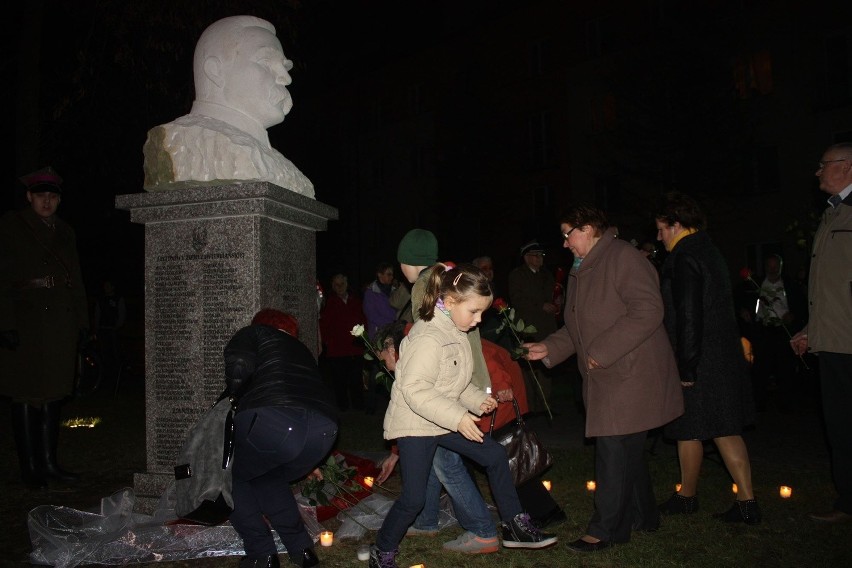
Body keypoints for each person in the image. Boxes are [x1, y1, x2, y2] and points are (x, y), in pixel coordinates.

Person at [368, 264, 557, 568]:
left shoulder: (457, 331)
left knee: (495, 455)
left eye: (482, 312)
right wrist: (458, 416)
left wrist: (476, 400)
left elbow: (456, 381)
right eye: (474, 311)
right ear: (451, 302)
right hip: (416, 424)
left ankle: (515, 526)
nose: (479, 319)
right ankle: (383, 551)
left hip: (441, 418)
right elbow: (415, 390)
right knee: (414, 499)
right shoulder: (427, 337)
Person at [523, 203, 683, 552]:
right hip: (609, 373)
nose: (565, 244)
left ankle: (607, 529)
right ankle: (646, 516)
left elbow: (649, 309)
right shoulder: (585, 267)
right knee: (628, 449)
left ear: (589, 228)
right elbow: (577, 326)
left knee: (613, 447)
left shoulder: (623, 258)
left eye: (568, 235)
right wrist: (548, 348)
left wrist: (602, 351)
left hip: (630, 372)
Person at [389, 229, 502, 554]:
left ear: (407, 262)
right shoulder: (446, 276)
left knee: (447, 464)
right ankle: (426, 519)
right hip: (450, 386)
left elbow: (434, 341)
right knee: (433, 457)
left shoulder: (431, 284)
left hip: (447, 389)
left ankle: (482, 530)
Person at [653, 191, 761, 525]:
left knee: (704, 426)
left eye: (660, 229)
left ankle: (720, 499)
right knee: (707, 426)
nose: (658, 236)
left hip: (701, 358)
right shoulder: (707, 249)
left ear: (676, 224)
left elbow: (689, 315)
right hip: (719, 354)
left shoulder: (685, 256)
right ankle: (716, 498)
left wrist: (686, 366)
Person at [142, 15, 314, 196]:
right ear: (215, 71)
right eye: (265, 63)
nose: (286, 79)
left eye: (284, 67)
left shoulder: (278, 162)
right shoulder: (186, 142)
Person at [224, 308, 339, 568]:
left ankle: (261, 553)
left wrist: (234, 395)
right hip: (324, 430)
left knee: (228, 477)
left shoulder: (254, 333)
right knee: (267, 478)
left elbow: (240, 361)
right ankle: (302, 550)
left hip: (275, 419)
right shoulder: (301, 350)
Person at [0, 166, 90, 488]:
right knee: (25, 396)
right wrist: (6, 322)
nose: (47, 202)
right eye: (41, 196)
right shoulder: (12, 226)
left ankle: (50, 464)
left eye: (52, 197)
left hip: (59, 324)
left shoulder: (65, 231)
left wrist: (82, 322)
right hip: (26, 321)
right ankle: (30, 468)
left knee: (54, 395)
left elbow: (75, 279)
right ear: (29, 197)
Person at [790, 142, 852, 524]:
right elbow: (832, 286)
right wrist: (811, 329)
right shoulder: (832, 214)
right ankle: (847, 502)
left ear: (846, 167)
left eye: (823, 165)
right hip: (833, 341)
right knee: (840, 427)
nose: (817, 172)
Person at [741, 254, 807, 411]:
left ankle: (787, 403)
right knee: (761, 369)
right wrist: (743, 311)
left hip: (783, 332)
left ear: (781, 266)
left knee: (785, 368)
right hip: (763, 331)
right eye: (770, 266)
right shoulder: (755, 284)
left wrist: (793, 316)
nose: (773, 269)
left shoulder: (789, 285)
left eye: (776, 266)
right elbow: (741, 299)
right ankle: (759, 404)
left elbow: (801, 306)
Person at [508, 241, 560, 414]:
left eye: (541, 255)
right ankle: (529, 406)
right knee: (528, 368)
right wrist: (540, 305)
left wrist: (558, 301)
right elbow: (517, 299)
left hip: (546, 327)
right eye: (536, 255)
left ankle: (545, 404)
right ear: (526, 257)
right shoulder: (518, 275)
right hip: (528, 328)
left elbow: (554, 294)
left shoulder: (547, 275)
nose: (540, 259)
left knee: (546, 365)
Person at [319, 273, 366, 411]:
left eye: (342, 284)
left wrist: (363, 339)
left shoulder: (355, 300)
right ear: (332, 286)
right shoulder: (328, 303)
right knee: (339, 381)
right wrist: (327, 342)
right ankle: (343, 407)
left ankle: (358, 407)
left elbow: (362, 320)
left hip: (355, 348)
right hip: (337, 349)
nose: (339, 287)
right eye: (336, 284)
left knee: (356, 380)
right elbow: (324, 325)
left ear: (347, 284)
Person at [93, 277, 127, 385]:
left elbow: (122, 314)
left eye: (108, 286)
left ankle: (118, 378)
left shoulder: (118, 298)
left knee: (115, 354)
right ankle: (105, 378)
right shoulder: (101, 300)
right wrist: (96, 328)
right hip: (103, 330)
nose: (105, 288)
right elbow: (97, 315)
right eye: (104, 286)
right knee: (104, 354)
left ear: (113, 287)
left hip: (113, 331)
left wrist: (117, 327)